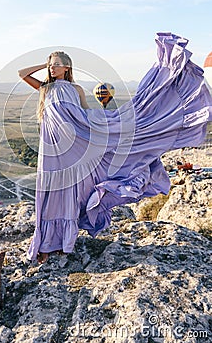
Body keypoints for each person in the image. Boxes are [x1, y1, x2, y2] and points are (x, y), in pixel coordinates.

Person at [18, 34, 212, 264]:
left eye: (56, 64)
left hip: (75, 146)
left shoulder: (76, 89)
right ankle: (45, 244)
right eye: (51, 65)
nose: (52, 68)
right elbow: (22, 74)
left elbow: (87, 115)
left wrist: (107, 126)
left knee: (68, 192)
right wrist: (45, 64)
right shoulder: (45, 88)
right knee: (50, 191)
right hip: (52, 148)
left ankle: (60, 244)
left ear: (67, 67)